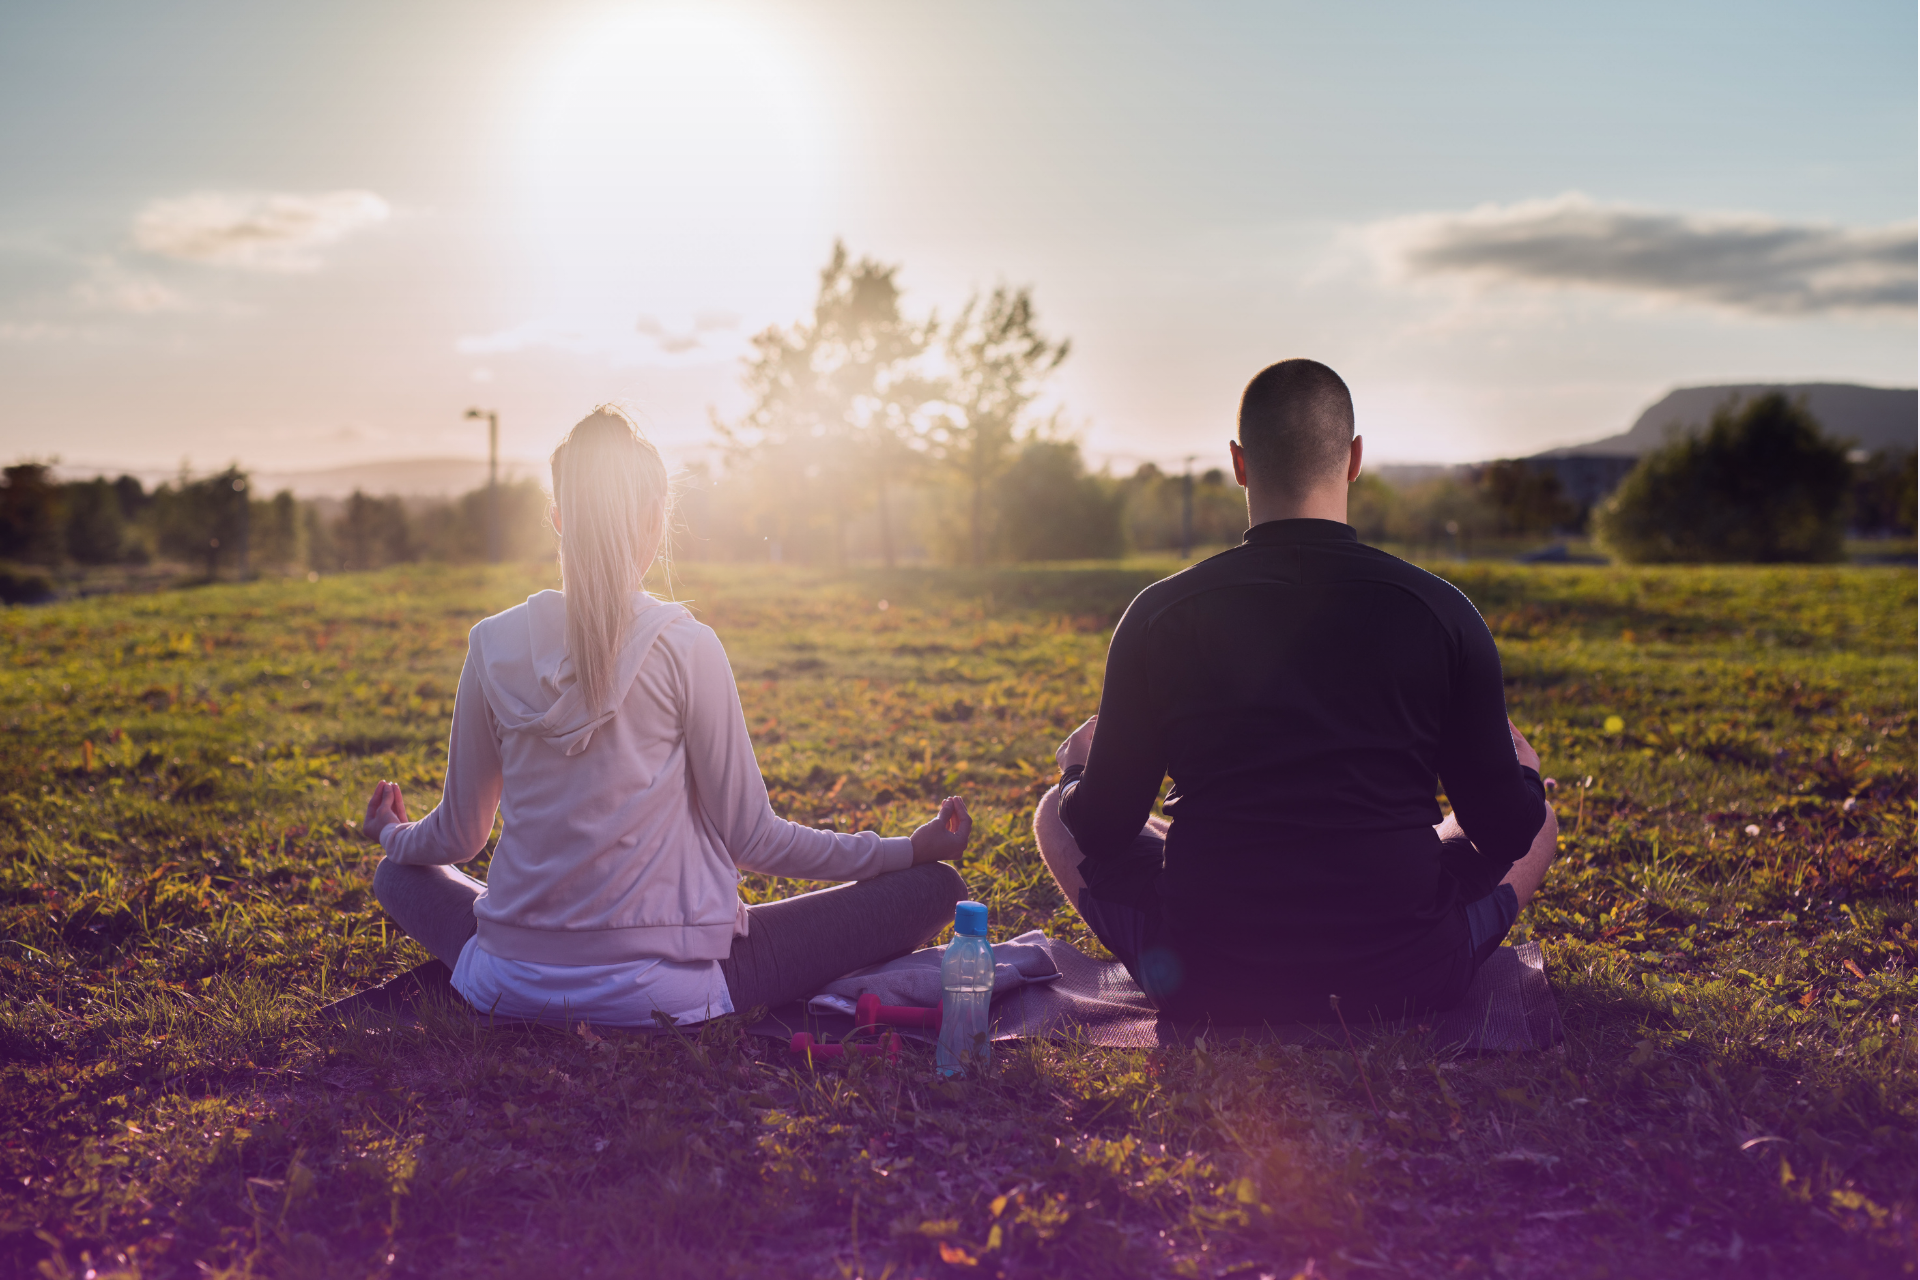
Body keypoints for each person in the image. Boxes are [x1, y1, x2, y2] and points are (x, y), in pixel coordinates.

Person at [360, 406, 972, 1027]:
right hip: (671, 992)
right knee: (934, 888)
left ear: (558, 520)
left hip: (505, 981)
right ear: (655, 518)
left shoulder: (490, 644)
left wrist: (390, 833)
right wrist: (904, 849)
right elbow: (753, 838)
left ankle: (501, 933)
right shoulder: (687, 645)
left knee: (398, 874)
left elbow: (459, 839)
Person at [1033, 359, 1557, 1025]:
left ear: (1239, 463)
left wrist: (1080, 767)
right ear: (1355, 459)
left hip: (1208, 977)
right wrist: (1527, 780)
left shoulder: (1160, 613)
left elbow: (1102, 829)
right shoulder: (1444, 612)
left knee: (1057, 811)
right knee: (1542, 822)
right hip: (1404, 975)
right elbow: (1506, 828)